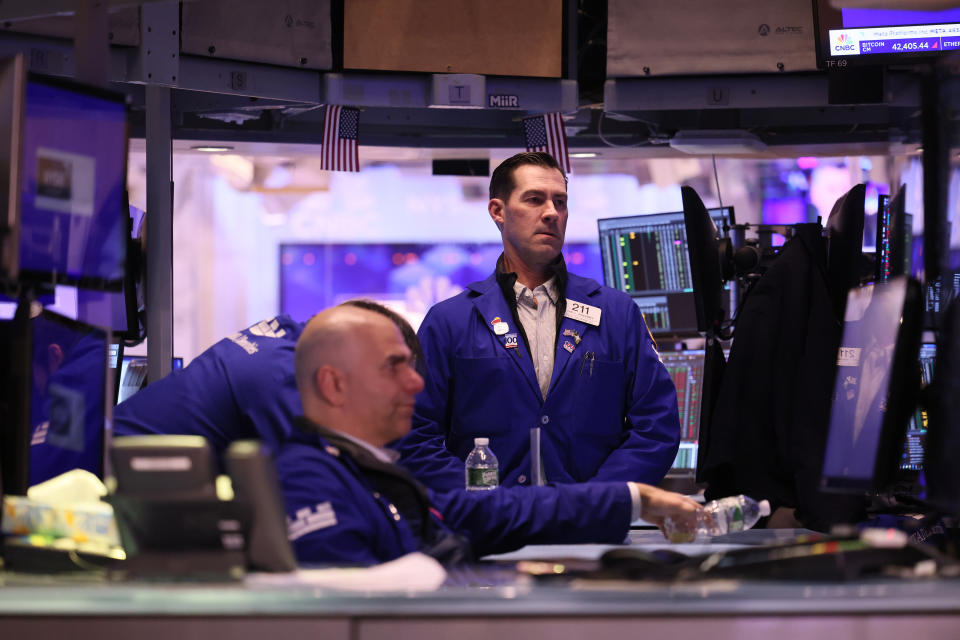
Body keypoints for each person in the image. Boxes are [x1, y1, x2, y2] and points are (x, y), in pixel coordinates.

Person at [278, 303, 703, 565]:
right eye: (394, 366)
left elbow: (485, 515)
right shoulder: (306, 480)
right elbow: (341, 601)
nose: (416, 383)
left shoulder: (370, 469)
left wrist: (631, 498)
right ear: (334, 384)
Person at [394, 152, 682, 493]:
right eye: (534, 199)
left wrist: (598, 500)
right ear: (497, 211)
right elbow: (411, 433)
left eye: (560, 202)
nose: (551, 213)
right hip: (488, 530)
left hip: (592, 529)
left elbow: (655, 428)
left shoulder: (617, 314)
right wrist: (480, 501)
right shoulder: (449, 321)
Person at [112, 300, 423, 466]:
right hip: (114, 481)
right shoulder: (286, 375)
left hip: (128, 464)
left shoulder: (285, 335)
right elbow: (320, 472)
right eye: (390, 369)